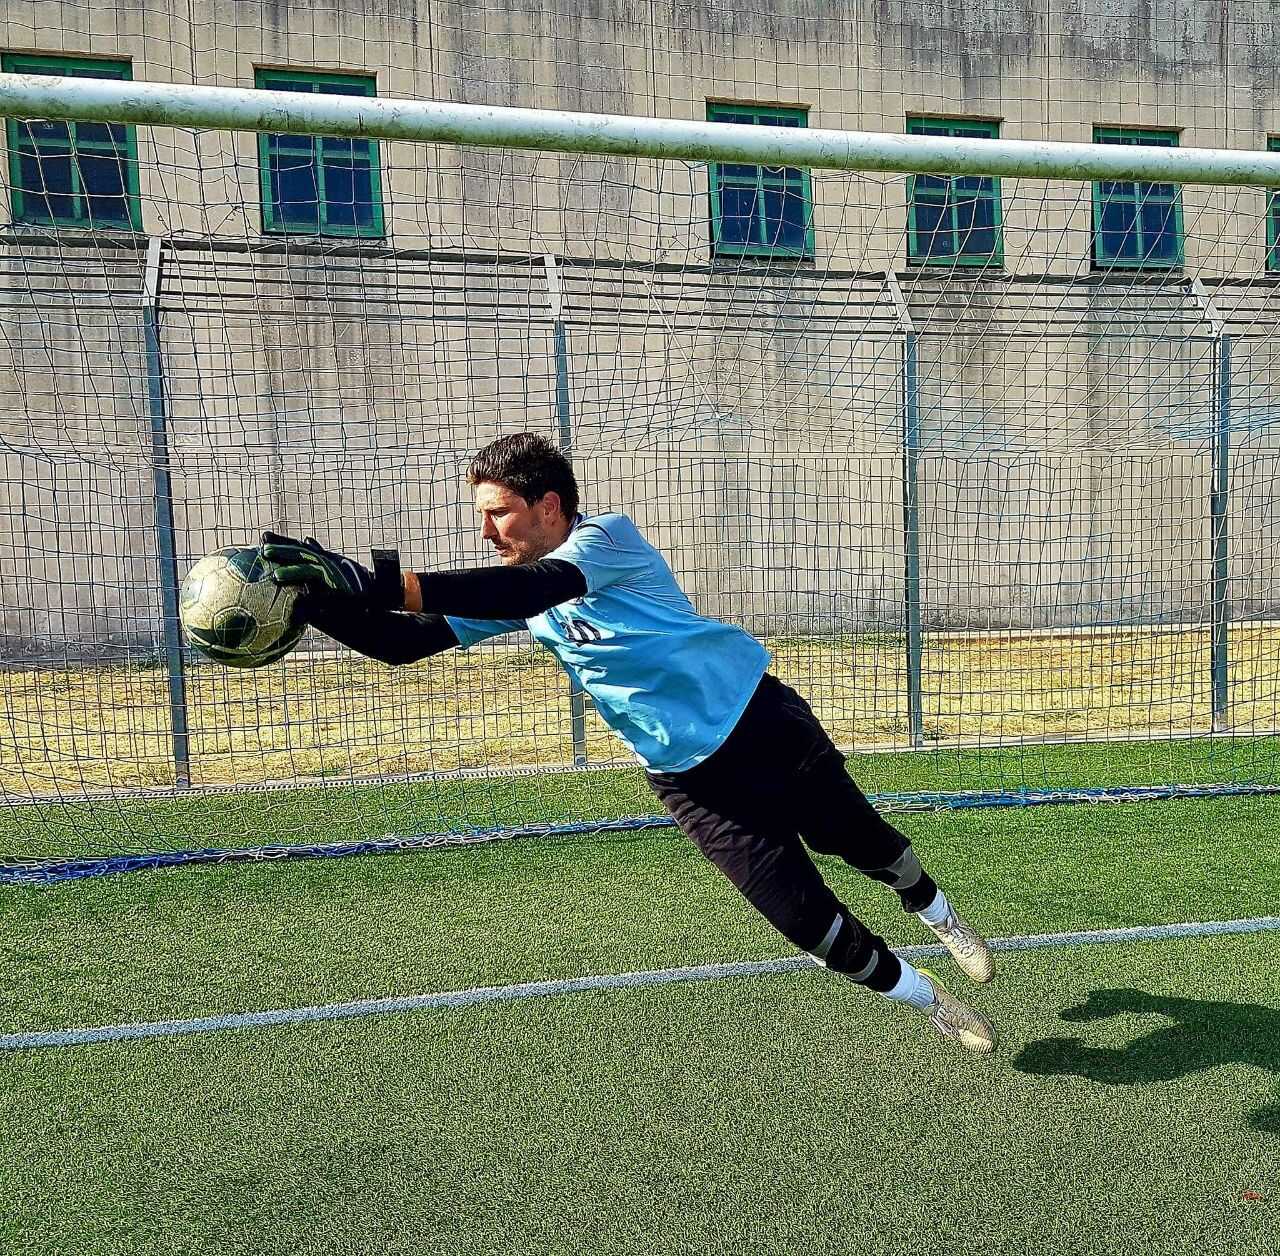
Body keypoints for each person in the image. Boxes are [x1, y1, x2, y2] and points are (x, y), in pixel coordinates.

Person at [262, 432, 998, 1054]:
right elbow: (398, 643)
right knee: (806, 923)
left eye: (499, 513)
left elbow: (533, 589)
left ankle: (936, 911)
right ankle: (927, 998)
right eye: (481, 516)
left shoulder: (606, 540)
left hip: (758, 722)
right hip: (689, 782)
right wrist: (312, 600)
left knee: (863, 843)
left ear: (549, 505)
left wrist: (381, 580)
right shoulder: (519, 588)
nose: (487, 532)